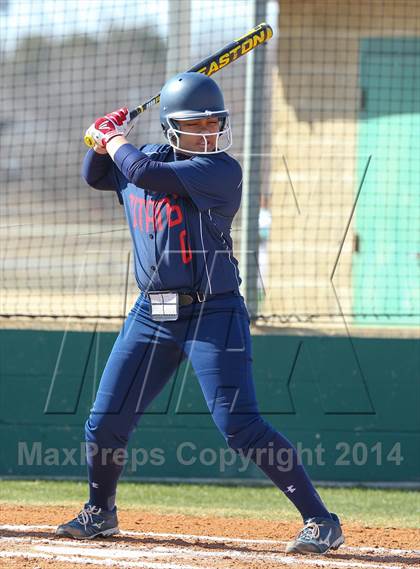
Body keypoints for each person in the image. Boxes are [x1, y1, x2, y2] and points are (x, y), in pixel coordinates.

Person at [55, 72, 344, 555]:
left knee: (240, 426)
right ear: (171, 127)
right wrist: (101, 141)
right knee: (104, 422)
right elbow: (96, 174)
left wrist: (113, 138)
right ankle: (99, 511)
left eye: (215, 123)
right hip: (151, 314)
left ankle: (321, 520)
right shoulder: (141, 158)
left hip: (214, 313)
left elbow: (146, 175)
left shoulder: (219, 171)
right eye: (196, 125)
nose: (209, 133)